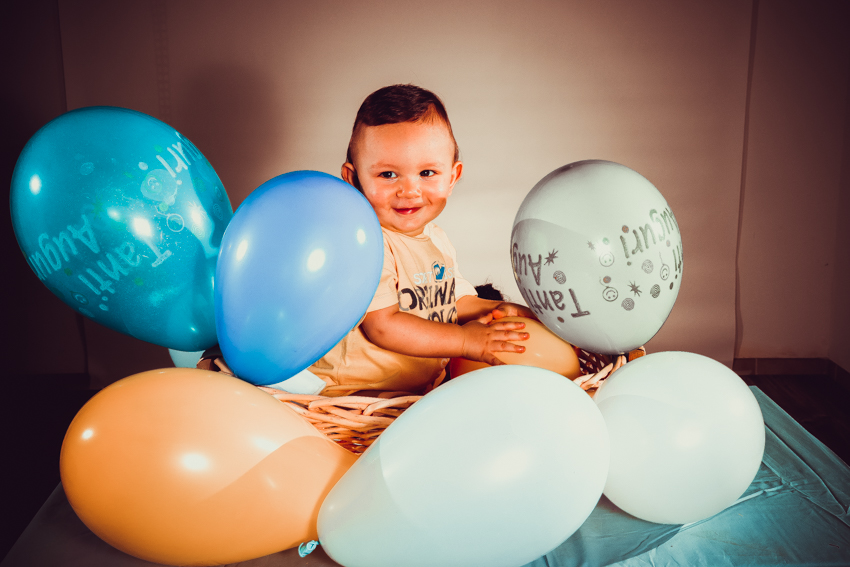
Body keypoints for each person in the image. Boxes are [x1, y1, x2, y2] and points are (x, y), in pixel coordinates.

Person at [310, 84, 536, 396]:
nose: (409, 190)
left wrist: (504, 308)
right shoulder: (365, 244)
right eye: (388, 175)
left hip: (413, 392)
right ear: (353, 179)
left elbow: (452, 301)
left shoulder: (436, 239)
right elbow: (383, 325)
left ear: (453, 177)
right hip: (358, 392)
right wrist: (466, 341)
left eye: (427, 172)